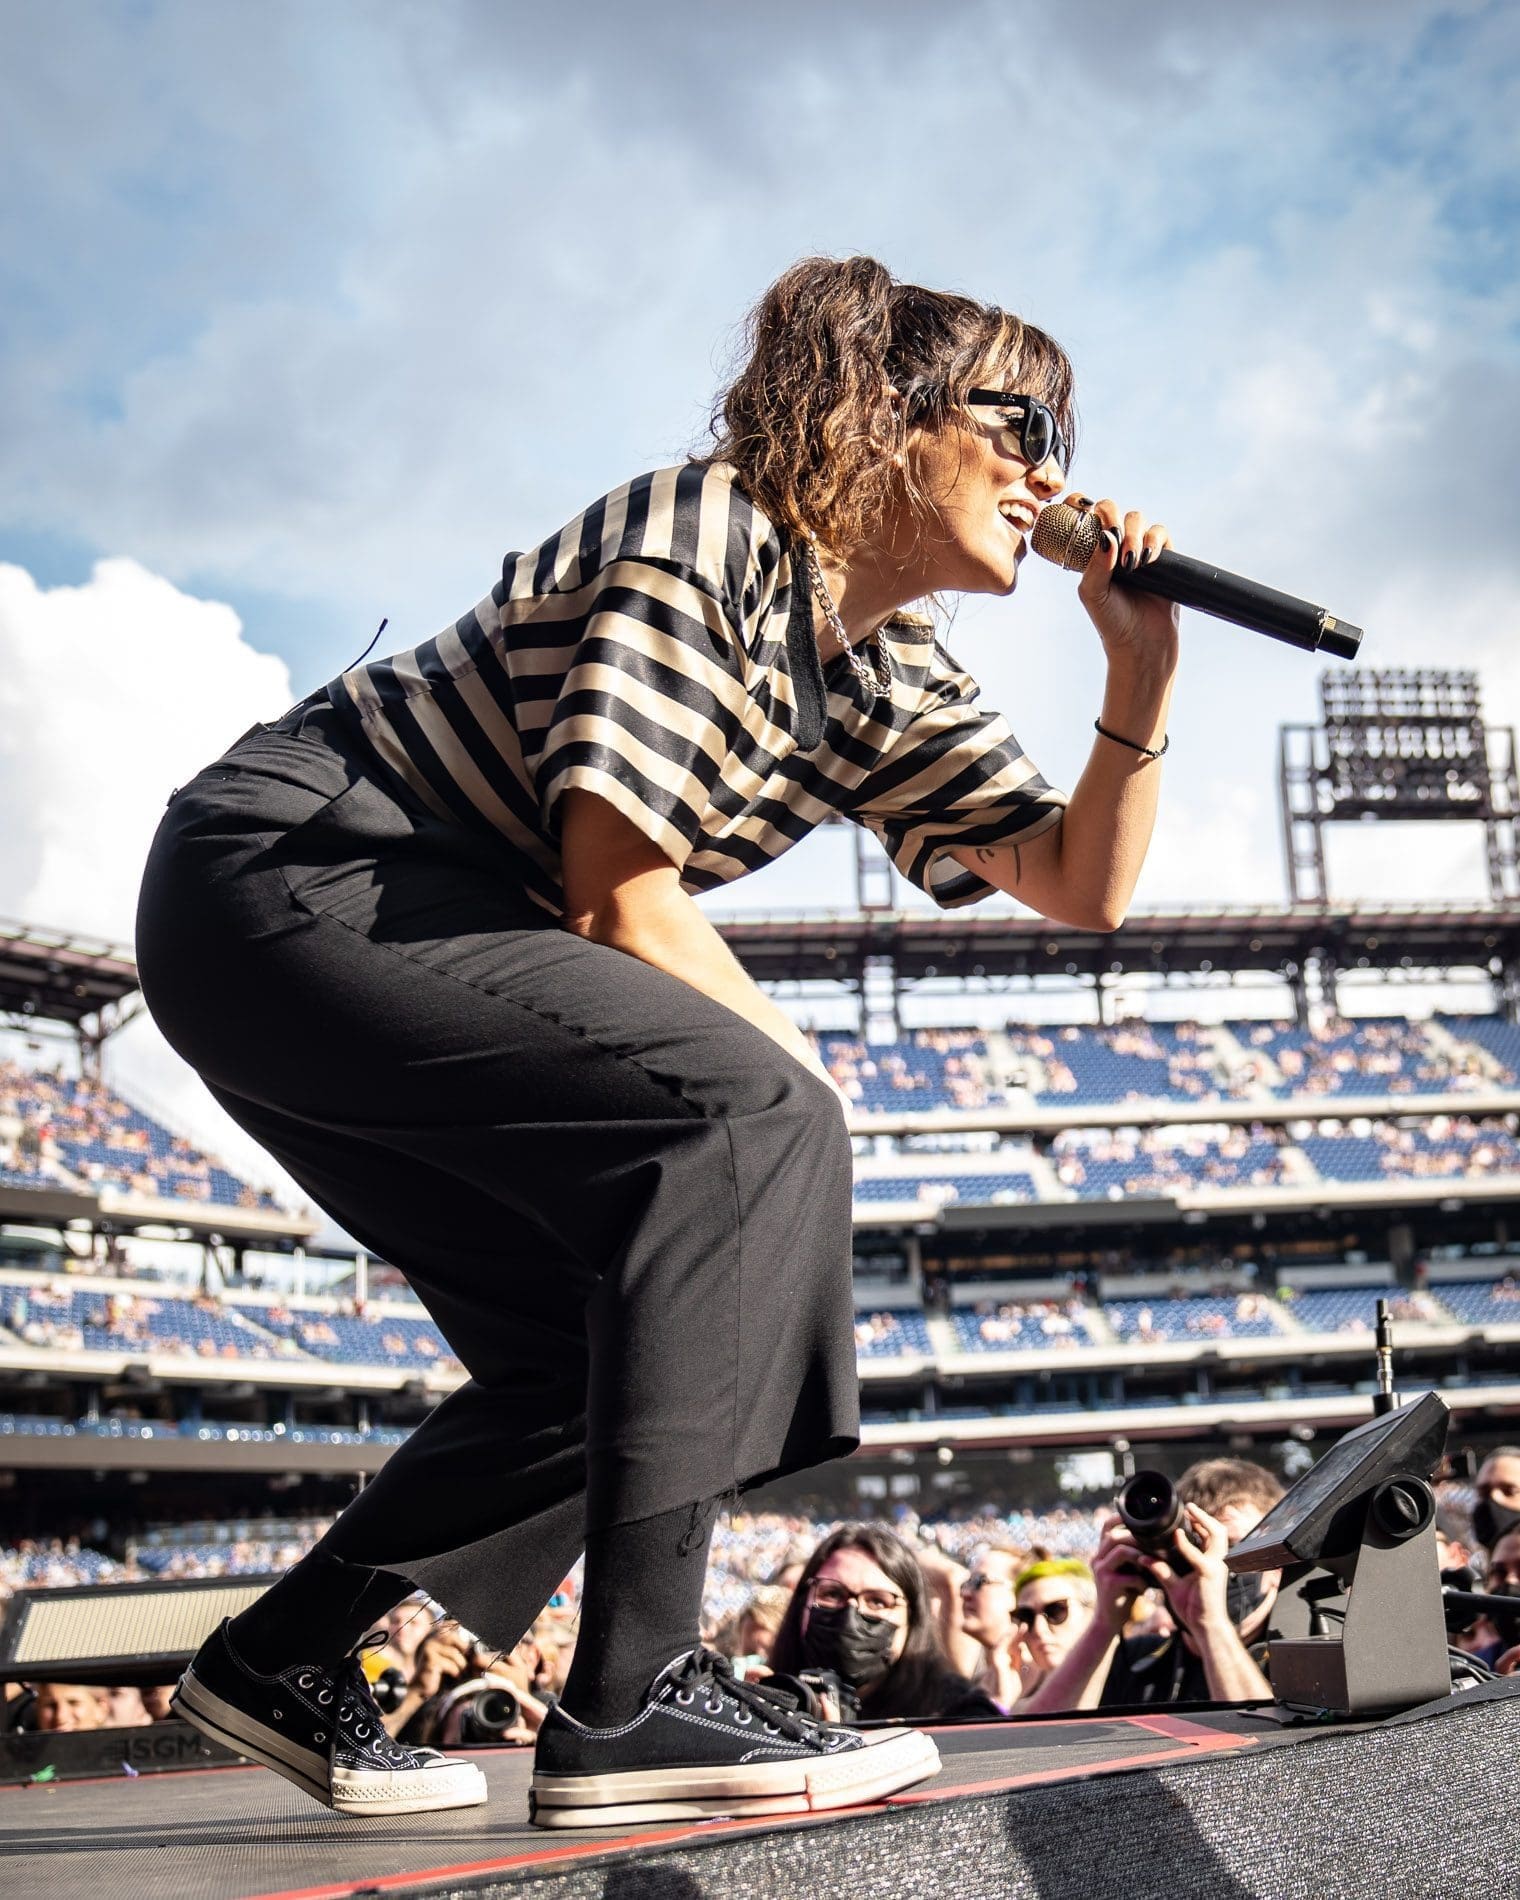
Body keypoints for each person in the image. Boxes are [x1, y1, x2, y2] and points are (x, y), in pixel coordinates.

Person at [137, 252, 1178, 1826]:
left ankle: (284, 1659)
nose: (1050, 473)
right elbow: (620, 891)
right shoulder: (720, 531)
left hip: (386, 926)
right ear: (888, 415)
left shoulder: (889, 668)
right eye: (1021, 420)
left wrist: (1139, 664)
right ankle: (633, 1706)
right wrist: (792, 1100)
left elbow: (1076, 884)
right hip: (300, 876)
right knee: (749, 1119)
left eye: (1068, 445)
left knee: (592, 1344)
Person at [1021, 1460, 1282, 1712]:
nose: (1212, 1563)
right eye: (1195, 1546)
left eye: (1233, 1548)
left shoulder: (1308, 1651)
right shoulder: (1138, 1662)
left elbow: (1266, 1748)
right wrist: (1105, 1623)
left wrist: (1210, 1625)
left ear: (1279, 1562)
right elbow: (1038, 1745)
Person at [768, 1524, 1003, 1723]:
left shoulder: (958, 1714)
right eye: (831, 1594)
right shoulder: (772, 1705)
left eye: (878, 1601)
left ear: (912, 1617)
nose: (851, 1614)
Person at [1011, 1558, 1096, 1701]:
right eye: (1026, 1617)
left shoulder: (1131, 1675)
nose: (1039, 1629)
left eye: (1056, 1610)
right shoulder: (1015, 1700)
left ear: (1092, 1612)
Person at [958, 1544, 1028, 1709]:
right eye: (967, 1583)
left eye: (979, 1582)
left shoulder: (1045, 1680)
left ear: (1018, 1594)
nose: (964, 1593)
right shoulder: (979, 1680)